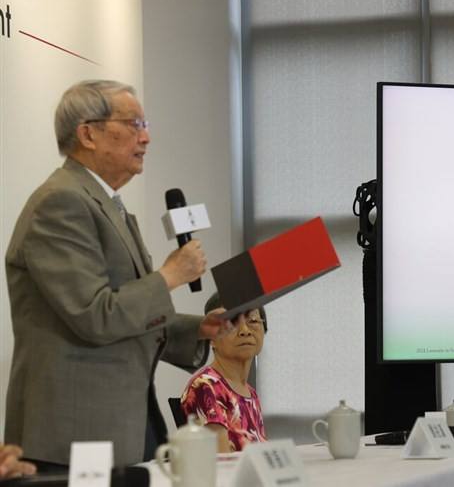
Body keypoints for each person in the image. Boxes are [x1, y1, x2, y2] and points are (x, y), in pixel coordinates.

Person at [4, 80, 231, 469]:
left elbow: (125, 312)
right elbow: (95, 315)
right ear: (88, 134)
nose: (146, 137)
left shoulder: (106, 204)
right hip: (74, 433)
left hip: (123, 418)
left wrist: (196, 328)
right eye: (134, 124)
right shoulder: (60, 202)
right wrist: (170, 275)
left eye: (145, 124)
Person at [181, 293, 267, 452]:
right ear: (211, 338)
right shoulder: (206, 386)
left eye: (253, 321)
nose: (245, 331)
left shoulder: (251, 393)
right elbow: (221, 460)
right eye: (232, 323)